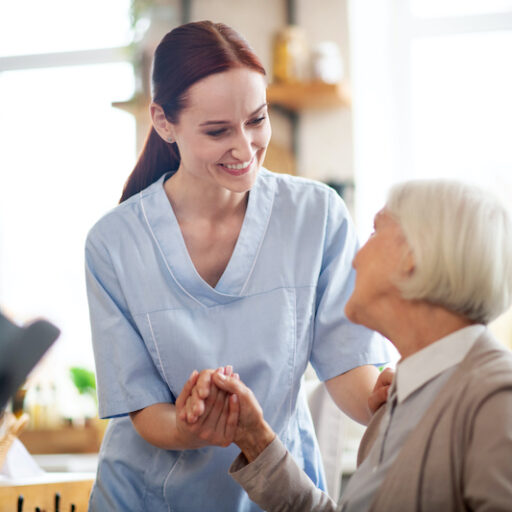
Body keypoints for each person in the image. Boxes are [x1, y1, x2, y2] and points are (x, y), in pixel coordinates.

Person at [84, 20, 391, 511]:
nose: (246, 148)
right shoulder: (114, 243)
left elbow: (348, 367)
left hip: (278, 496)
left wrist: (382, 398)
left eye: (257, 119)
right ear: (164, 122)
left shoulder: (316, 216)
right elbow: (144, 413)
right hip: (145, 500)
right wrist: (190, 425)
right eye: (217, 130)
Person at [184, 179, 512, 511]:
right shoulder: (397, 403)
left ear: (413, 254)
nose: (354, 259)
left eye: (374, 232)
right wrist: (255, 439)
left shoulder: (497, 399)